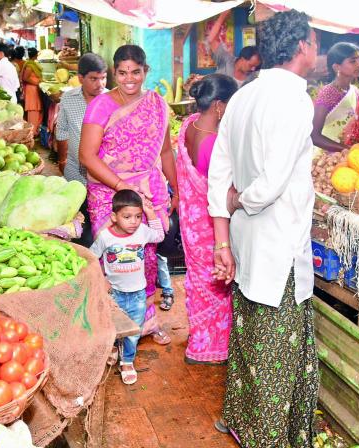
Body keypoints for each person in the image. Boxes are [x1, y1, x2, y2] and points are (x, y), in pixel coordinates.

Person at [208, 10, 319, 447]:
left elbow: (220, 171)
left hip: (247, 239)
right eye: (313, 41)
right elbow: (270, 184)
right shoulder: (294, 99)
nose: (317, 49)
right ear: (300, 48)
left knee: (248, 334)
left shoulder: (243, 95)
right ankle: (269, 437)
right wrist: (243, 200)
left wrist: (223, 235)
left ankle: (238, 419)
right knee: (277, 345)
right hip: (278, 243)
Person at [79, 44, 177, 345]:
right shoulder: (101, 105)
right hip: (111, 195)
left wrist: (178, 190)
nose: (129, 79)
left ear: (145, 71)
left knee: (146, 257)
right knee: (117, 258)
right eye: (122, 72)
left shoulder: (156, 104)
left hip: (149, 192)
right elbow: (86, 156)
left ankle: (145, 321)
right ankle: (115, 325)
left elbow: (165, 151)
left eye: (136, 72)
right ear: (114, 73)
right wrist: (124, 187)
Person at [174, 73, 237, 363]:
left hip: (191, 221)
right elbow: (221, 190)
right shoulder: (214, 143)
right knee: (217, 284)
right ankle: (208, 348)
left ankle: (200, 336)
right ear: (220, 106)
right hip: (209, 226)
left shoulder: (189, 126)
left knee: (199, 282)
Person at [90, 190, 165, 385]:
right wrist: (101, 280)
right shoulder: (106, 237)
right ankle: (113, 347)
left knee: (134, 330)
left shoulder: (142, 231)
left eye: (137, 216)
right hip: (114, 293)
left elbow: (159, 236)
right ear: (114, 217)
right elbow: (90, 257)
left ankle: (127, 361)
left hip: (138, 294)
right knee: (111, 325)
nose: (133, 221)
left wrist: (150, 213)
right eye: (127, 217)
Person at [56, 53, 108, 248]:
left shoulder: (111, 100)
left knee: (102, 221)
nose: (100, 83)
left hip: (103, 174)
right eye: (94, 79)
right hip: (75, 172)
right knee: (79, 220)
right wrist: (61, 161)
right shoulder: (69, 99)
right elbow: (61, 131)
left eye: (103, 77)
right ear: (81, 78)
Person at [311, 42, 359, 152]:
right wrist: (347, 150)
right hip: (329, 159)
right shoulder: (328, 93)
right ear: (337, 67)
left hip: (355, 157)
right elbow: (314, 136)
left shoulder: (356, 92)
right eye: (353, 61)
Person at [205, 10, 261, 88]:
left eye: (255, 66)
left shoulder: (253, 77)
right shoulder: (226, 60)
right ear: (242, 59)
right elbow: (211, 39)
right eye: (251, 65)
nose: (253, 69)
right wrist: (223, 16)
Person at [21, 48, 44, 135]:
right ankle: (31, 133)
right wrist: (37, 83)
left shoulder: (32, 64)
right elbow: (25, 78)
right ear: (35, 55)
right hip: (31, 89)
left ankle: (34, 132)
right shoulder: (30, 65)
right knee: (33, 110)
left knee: (36, 110)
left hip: (33, 89)